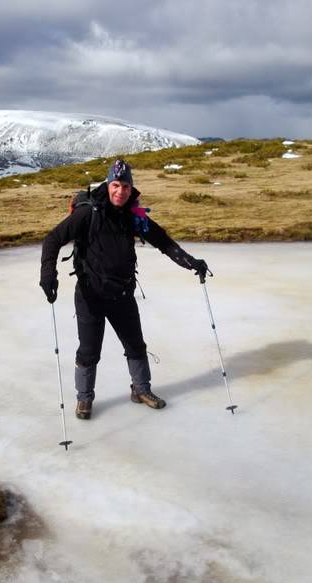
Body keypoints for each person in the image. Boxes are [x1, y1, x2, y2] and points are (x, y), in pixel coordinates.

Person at [40, 158, 210, 420]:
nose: (120, 192)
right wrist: (48, 274)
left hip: (122, 295)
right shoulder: (89, 214)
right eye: (116, 185)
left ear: (132, 189)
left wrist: (191, 263)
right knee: (88, 352)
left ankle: (141, 390)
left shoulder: (134, 217)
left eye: (126, 187)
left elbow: (163, 241)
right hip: (90, 297)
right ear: (109, 184)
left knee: (135, 345)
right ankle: (84, 399)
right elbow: (53, 239)